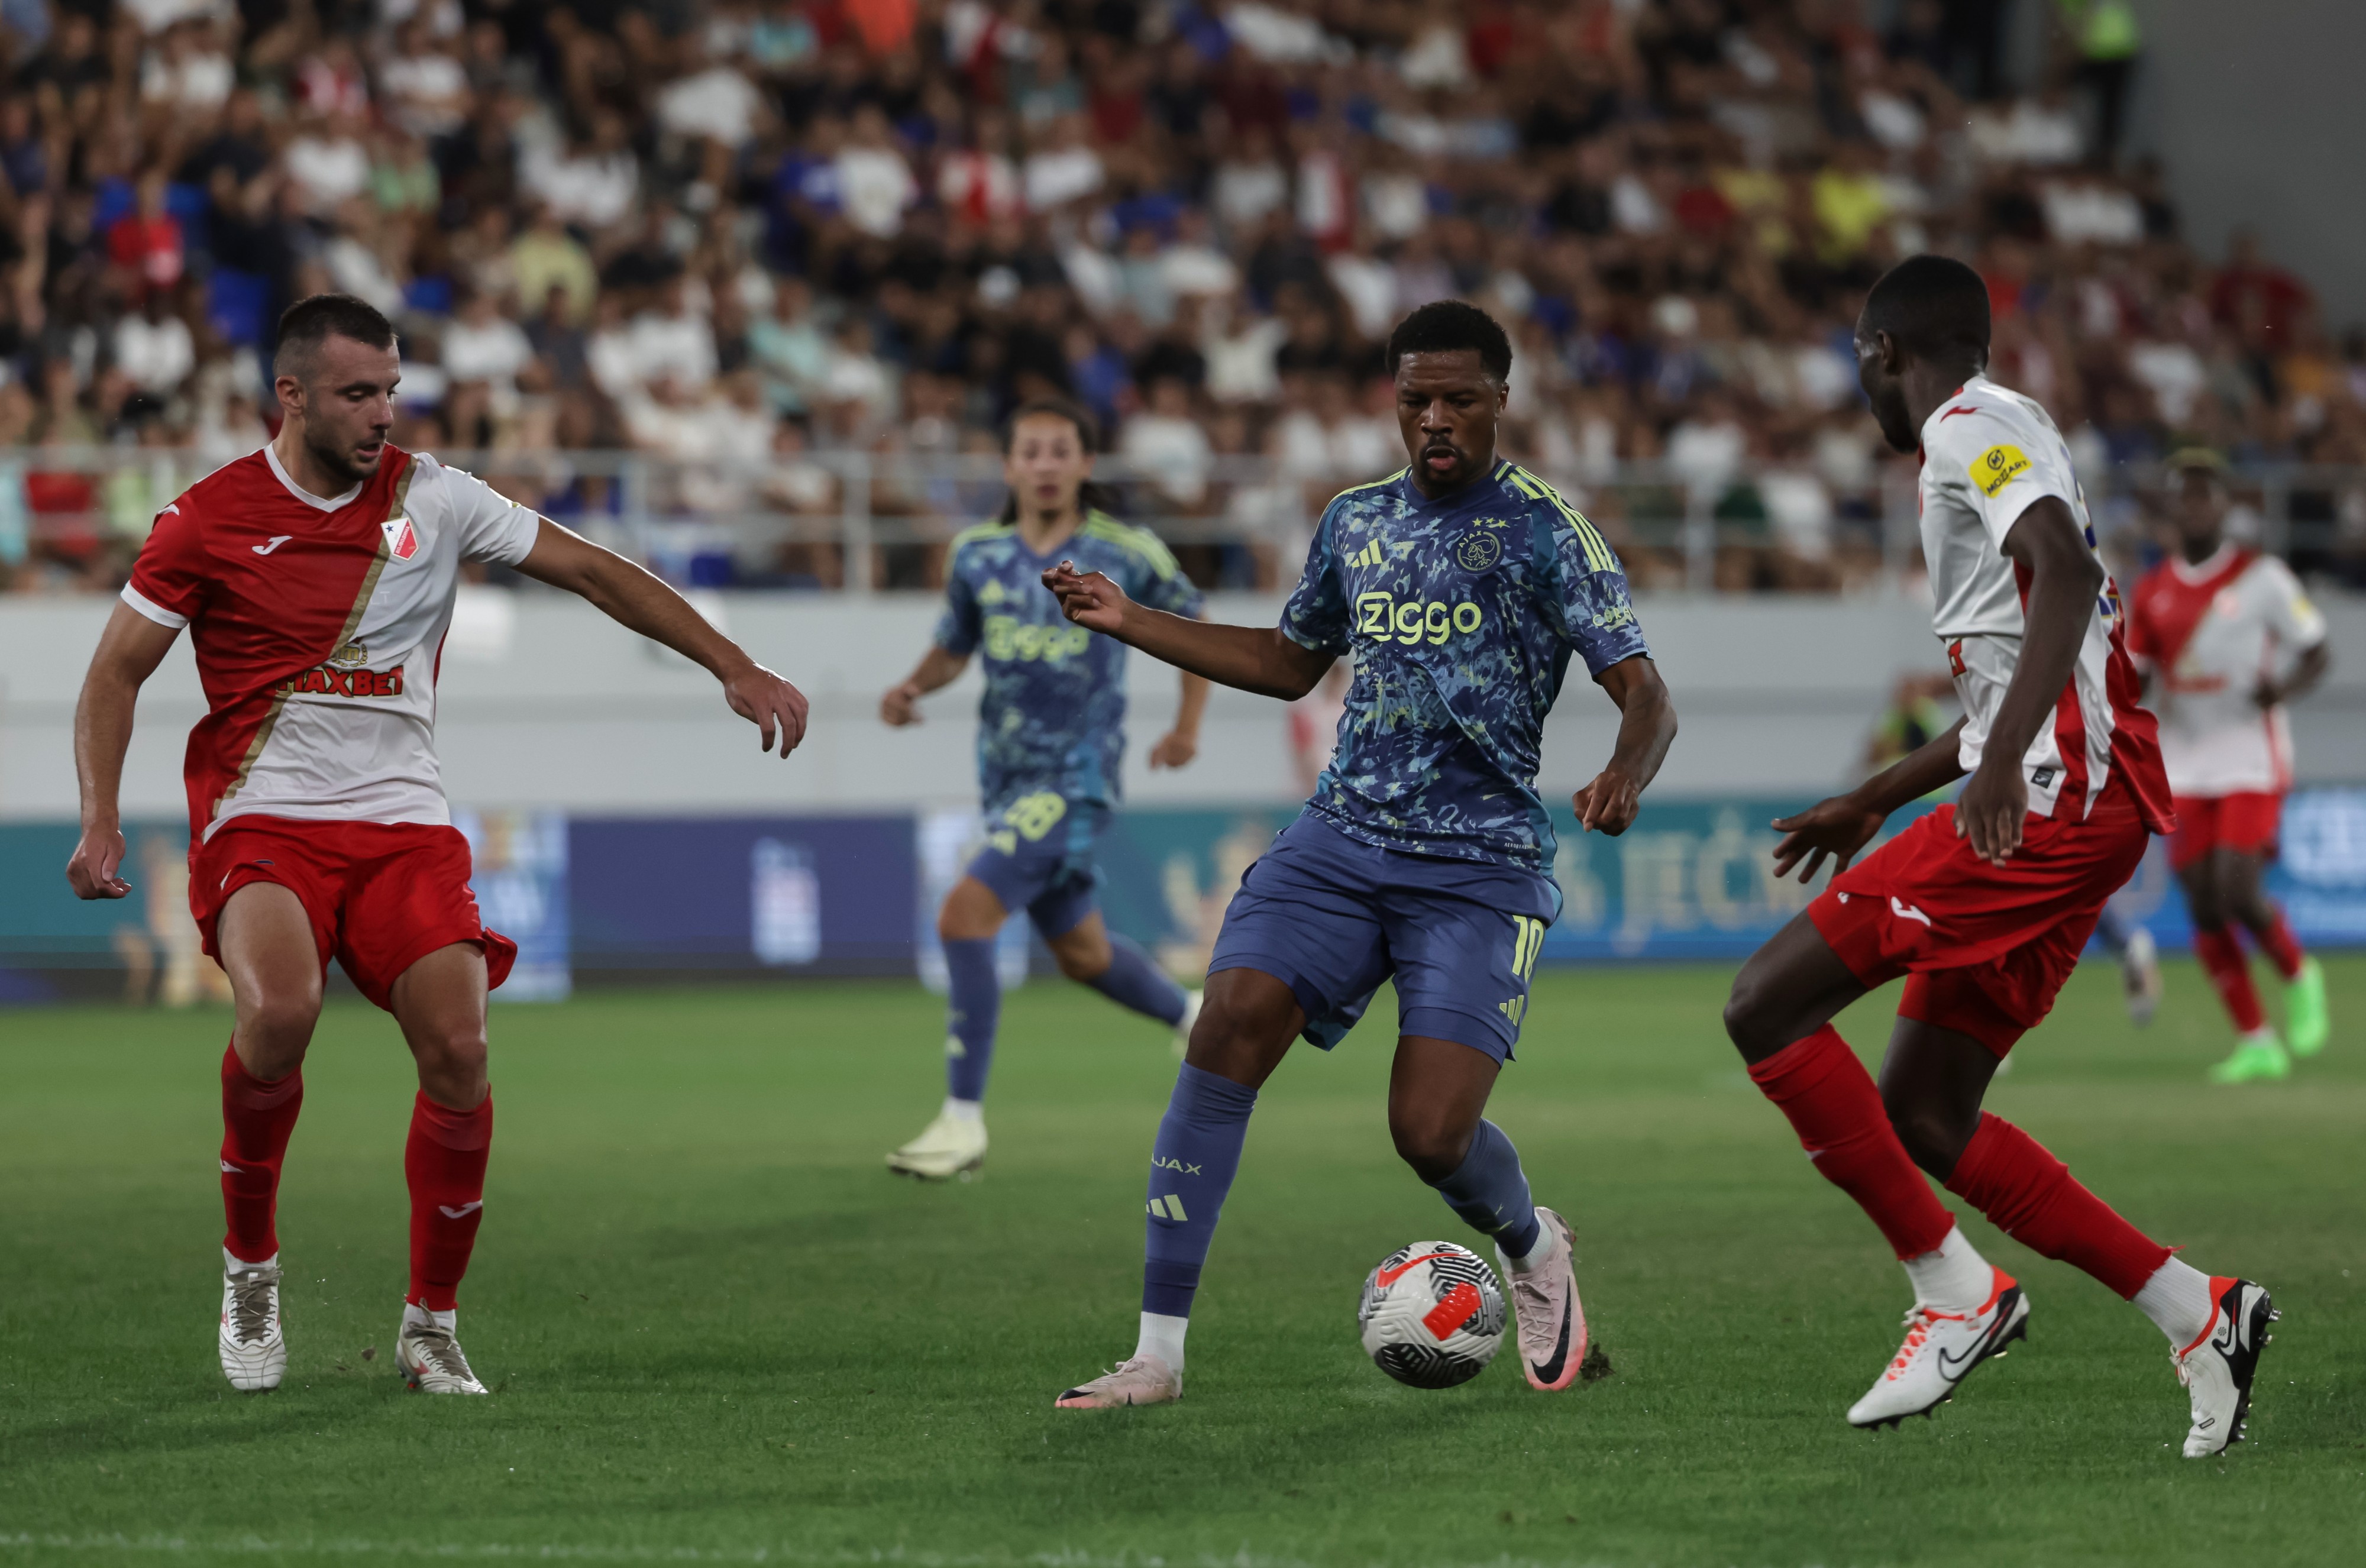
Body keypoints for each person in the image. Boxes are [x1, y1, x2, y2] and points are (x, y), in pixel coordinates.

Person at [66, 293, 809, 1396]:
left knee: (461, 1053)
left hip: (404, 826)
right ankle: (251, 1269)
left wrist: (732, 664)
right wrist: (101, 815)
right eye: (358, 393)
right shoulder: (207, 519)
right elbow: (114, 672)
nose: (381, 414)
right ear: (293, 395)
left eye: (391, 391)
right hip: (266, 820)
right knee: (278, 1014)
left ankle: (431, 1325)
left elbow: (598, 570)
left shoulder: (436, 497)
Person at [1042, 300, 1678, 1408]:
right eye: (1416, 399)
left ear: (1500, 404)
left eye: (1460, 400)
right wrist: (1132, 616)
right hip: (1343, 840)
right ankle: (1158, 1356)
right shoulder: (1353, 522)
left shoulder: (1546, 531)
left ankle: (1533, 1246)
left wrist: (1627, 769)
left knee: (1430, 1134)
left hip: (1478, 866)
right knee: (1229, 1022)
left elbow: (1647, 692)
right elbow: (1292, 663)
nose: (1436, 420)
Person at [1719, 257, 2274, 1457]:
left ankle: (1952, 1290)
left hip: (2049, 802)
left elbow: (2066, 577)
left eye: (1855, 366)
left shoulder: (1967, 426)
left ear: (1879, 353)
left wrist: (1996, 762)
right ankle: (2201, 1312)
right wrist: (1874, 795)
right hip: (2078, 796)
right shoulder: (2009, 425)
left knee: (1763, 1004)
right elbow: (2025, 650)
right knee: (1922, 1107)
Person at [878, 398, 1210, 1180]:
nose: (1047, 464)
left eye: (1062, 450)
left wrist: (1187, 725)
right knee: (1084, 953)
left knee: (964, 914)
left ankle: (962, 1123)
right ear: (1009, 466)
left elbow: (1194, 626)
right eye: (1032, 451)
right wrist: (912, 687)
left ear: (1086, 464)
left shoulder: (1125, 552)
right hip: (1006, 778)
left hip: (1078, 776)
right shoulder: (976, 554)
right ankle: (1193, 1016)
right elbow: (956, 646)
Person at [2125, 449, 2331, 1082]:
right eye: (2182, 497)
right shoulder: (2151, 589)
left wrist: (2281, 691)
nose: (2194, 507)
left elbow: (2316, 650)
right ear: (2169, 510)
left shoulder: (2261, 577)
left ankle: (2299, 973)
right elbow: (2138, 675)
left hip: (2249, 757)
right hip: (2184, 762)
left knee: (2238, 888)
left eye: (2204, 495)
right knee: (2205, 906)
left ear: (2222, 505)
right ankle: (2256, 1038)